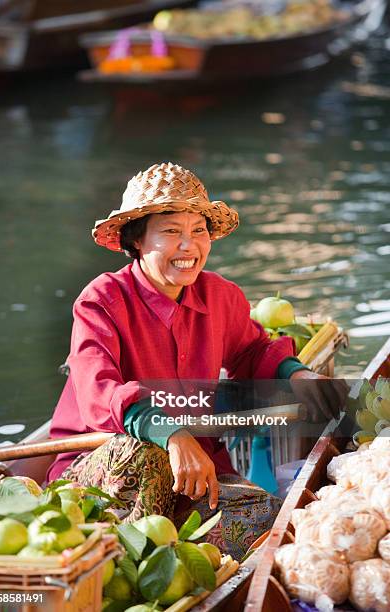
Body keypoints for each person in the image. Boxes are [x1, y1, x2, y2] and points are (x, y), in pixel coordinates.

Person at [47, 162, 348, 561]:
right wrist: (171, 434)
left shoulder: (220, 295)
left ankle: (175, 553)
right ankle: (127, 561)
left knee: (278, 527)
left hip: (193, 475)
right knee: (142, 450)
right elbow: (96, 390)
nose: (189, 246)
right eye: (172, 232)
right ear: (137, 240)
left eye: (199, 231)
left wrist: (299, 375)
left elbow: (252, 351)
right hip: (105, 472)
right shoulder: (100, 300)